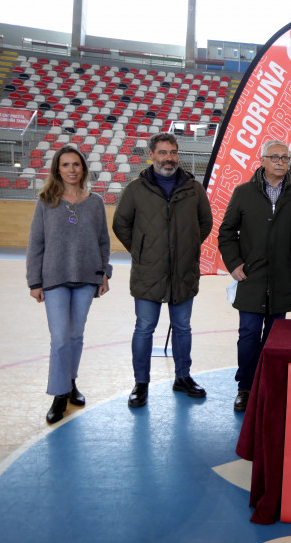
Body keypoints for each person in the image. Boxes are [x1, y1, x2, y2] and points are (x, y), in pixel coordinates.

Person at [112, 132, 213, 408]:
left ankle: (183, 377)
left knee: (183, 328)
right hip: (148, 272)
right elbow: (121, 225)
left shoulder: (193, 189)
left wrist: (187, 247)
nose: (169, 158)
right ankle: (140, 383)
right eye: (163, 153)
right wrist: (143, 251)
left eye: (173, 152)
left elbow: (205, 223)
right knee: (144, 328)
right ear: (152, 155)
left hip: (183, 271)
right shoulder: (135, 189)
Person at [218, 140, 291, 412]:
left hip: (283, 279)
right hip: (251, 279)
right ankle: (245, 387)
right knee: (248, 334)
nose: (281, 161)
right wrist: (233, 264)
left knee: (275, 337)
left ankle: (268, 386)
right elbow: (226, 232)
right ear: (262, 160)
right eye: (275, 157)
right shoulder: (243, 192)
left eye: (285, 157)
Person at [26, 146, 111, 425]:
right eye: (66, 165)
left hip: (87, 278)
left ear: (83, 169)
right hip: (54, 279)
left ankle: (71, 381)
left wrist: (104, 273)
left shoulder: (95, 202)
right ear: (57, 169)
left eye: (76, 164)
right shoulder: (46, 201)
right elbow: (36, 243)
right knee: (60, 337)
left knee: (75, 336)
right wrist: (34, 281)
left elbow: (102, 241)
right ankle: (59, 394)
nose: (72, 170)